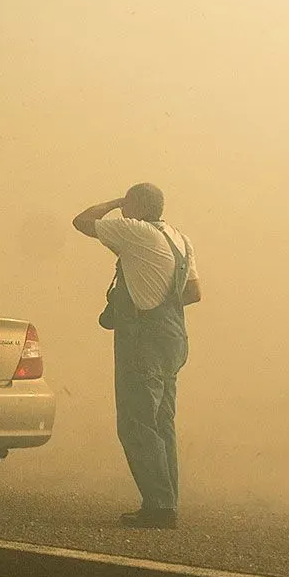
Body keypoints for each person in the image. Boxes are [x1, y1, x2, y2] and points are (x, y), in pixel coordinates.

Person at [71, 182, 201, 529]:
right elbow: (193, 292)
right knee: (162, 422)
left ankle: (159, 506)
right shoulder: (180, 239)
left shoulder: (133, 231)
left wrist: (116, 201)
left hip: (143, 339)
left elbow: (82, 221)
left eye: (128, 204)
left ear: (135, 206)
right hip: (173, 337)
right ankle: (167, 499)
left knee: (136, 422)